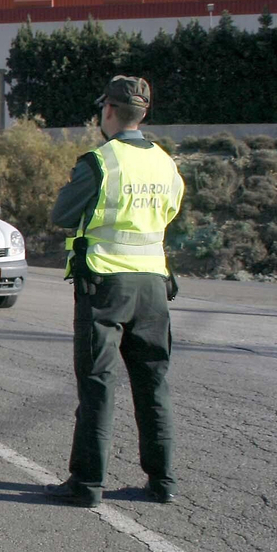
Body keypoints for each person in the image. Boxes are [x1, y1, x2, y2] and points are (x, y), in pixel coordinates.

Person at [46, 75, 184, 507]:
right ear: (144, 113)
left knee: (97, 385)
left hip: (105, 285)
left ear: (108, 111)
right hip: (154, 286)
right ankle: (163, 483)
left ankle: (87, 485)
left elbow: (62, 214)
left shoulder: (99, 161)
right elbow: (171, 210)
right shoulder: (166, 163)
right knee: (153, 384)